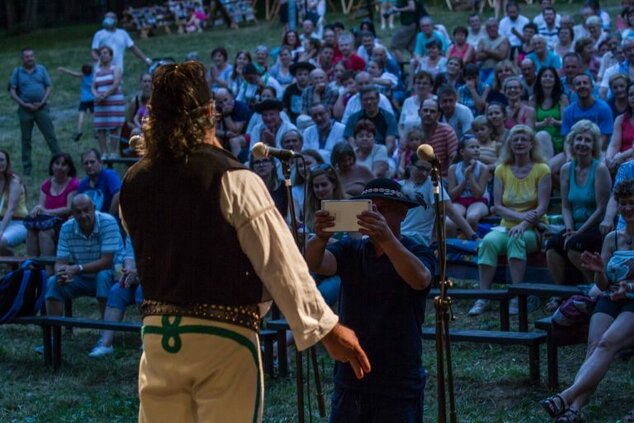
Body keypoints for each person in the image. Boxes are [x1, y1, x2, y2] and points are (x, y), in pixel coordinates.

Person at [119, 61, 370, 422]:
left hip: (158, 339)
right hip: (223, 338)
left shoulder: (133, 182)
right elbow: (279, 261)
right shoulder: (234, 179)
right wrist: (325, 327)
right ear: (210, 113)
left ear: (152, 117)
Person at [305, 178, 435, 423]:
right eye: (369, 208)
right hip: (351, 377)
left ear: (403, 213)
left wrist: (386, 238)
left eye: (382, 209)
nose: (374, 215)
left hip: (399, 379)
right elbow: (314, 264)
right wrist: (320, 237)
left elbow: (420, 279)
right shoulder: (351, 249)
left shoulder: (418, 251)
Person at [539, 181, 634, 423]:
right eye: (623, 204)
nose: (627, 209)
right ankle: (575, 409)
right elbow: (602, 285)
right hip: (612, 297)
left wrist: (629, 287)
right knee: (594, 348)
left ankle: (566, 396)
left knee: (606, 345)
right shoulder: (612, 238)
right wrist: (599, 271)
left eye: (632, 203)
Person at [469, 125, 551, 316]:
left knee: (517, 239)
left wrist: (523, 224)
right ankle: (484, 296)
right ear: (510, 145)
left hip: (534, 227)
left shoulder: (542, 169)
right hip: (506, 226)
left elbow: (542, 208)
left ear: (532, 144)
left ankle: (517, 294)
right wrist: (520, 217)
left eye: (524, 139)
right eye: (516, 140)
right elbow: (497, 206)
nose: (520, 143)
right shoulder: (501, 170)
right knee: (488, 242)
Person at [545, 120, 610, 311]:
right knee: (552, 246)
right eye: (578, 139)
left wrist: (577, 232)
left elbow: (601, 208)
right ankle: (561, 293)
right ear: (572, 143)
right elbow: (565, 205)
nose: (582, 143)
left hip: (595, 226)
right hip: (575, 226)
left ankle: (593, 290)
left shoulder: (600, 169)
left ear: (594, 145)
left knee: (574, 246)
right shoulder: (566, 169)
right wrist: (569, 229)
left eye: (587, 140)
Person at [44, 194, 122, 319]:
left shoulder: (108, 222)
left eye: (86, 210)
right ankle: (54, 333)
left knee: (103, 277)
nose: (83, 215)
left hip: (112, 274)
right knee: (53, 282)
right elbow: (60, 260)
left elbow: (107, 261)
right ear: (72, 214)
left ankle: (107, 331)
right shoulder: (66, 228)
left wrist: (77, 268)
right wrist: (60, 272)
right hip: (80, 276)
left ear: (94, 208)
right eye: (78, 212)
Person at [401, 157, 479, 245]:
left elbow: (452, 212)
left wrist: (473, 236)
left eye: (428, 170)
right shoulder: (399, 185)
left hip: (416, 240)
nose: (424, 173)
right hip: (396, 237)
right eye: (421, 168)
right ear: (410, 166)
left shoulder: (431, 184)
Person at [8, 48, 61, 176]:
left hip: (41, 108)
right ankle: (27, 167)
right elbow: (12, 91)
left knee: (50, 136)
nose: (30, 58)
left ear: (34, 57)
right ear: (22, 59)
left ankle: (60, 161)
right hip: (25, 110)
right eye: (27, 57)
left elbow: (48, 86)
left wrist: (42, 102)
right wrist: (23, 103)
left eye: (31, 56)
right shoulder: (17, 72)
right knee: (26, 139)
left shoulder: (41, 69)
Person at [88, 236, 142, 357]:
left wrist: (138, 272)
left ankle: (149, 340)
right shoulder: (133, 231)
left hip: (157, 282)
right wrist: (128, 272)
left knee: (141, 292)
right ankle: (106, 343)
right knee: (116, 291)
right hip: (137, 277)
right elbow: (129, 258)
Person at [26, 153, 79, 273]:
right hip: (48, 221)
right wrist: (37, 209)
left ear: (69, 168)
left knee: (44, 233)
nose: (59, 167)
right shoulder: (46, 184)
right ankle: (32, 267)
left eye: (64, 164)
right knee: (31, 231)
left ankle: (48, 271)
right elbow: (41, 206)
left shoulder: (73, 184)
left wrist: (48, 211)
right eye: (57, 163)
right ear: (52, 165)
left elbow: (69, 208)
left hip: (66, 222)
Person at [446, 138, 490, 237]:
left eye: (478, 147)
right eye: (472, 147)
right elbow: (452, 195)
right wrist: (465, 178)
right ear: (462, 152)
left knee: (472, 218)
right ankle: (455, 248)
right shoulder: (453, 168)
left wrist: (470, 175)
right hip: (459, 200)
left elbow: (478, 195)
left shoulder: (483, 168)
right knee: (449, 222)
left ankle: (472, 247)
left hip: (479, 201)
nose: (476, 150)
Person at [92, 46, 125, 159]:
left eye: (105, 53)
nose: (103, 55)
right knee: (100, 128)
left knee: (114, 127)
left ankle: (113, 152)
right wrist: (97, 95)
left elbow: (115, 84)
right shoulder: (96, 71)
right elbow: (93, 86)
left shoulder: (116, 68)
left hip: (113, 103)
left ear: (111, 56)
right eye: (101, 53)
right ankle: (104, 152)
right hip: (100, 104)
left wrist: (105, 95)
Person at [532, 66, 568, 161]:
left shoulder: (562, 98)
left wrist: (555, 122)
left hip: (559, 140)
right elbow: (531, 125)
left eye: (551, 76)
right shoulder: (533, 99)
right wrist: (544, 123)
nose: (548, 78)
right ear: (539, 79)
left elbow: (566, 123)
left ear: (555, 80)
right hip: (540, 140)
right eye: (545, 76)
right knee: (542, 136)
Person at [418, 98, 459, 178]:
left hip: (442, 178)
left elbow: (453, 158)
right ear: (419, 112)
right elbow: (403, 154)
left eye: (432, 111)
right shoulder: (413, 131)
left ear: (439, 115)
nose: (428, 114)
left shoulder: (447, 131)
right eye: (425, 110)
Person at [77, 148, 122, 216]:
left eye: (92, 162)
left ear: (100, 162)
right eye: (86, 163)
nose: (89, 166)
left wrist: (109, 217)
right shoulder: (83, 184)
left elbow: (118, 194)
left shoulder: (109, 175)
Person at [57, 64, 94, 142]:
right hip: (93, 98)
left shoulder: (82, 76)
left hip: (84, 99)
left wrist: (63, 69)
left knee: (81, 115)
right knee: (94, 115)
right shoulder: (94, 76)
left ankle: (79, 131)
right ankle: (97, 132)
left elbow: (72, 73)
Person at [0, 150, 28, 255]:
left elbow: (11, 210)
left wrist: (1, 231)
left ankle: (13, 262)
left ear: (7, 162)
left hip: (18, 223)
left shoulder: (14, 182)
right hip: (1, 221)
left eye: (1, 160)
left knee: (0, 242)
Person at [606, 81, 634, 174]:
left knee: (628, 166)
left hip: (626, 158)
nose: (633, 97)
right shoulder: (620, 119)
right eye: (631, 95)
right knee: (602, 166)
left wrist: (620, 157)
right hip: (620, 159)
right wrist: (609, 158)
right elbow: (614, 145)